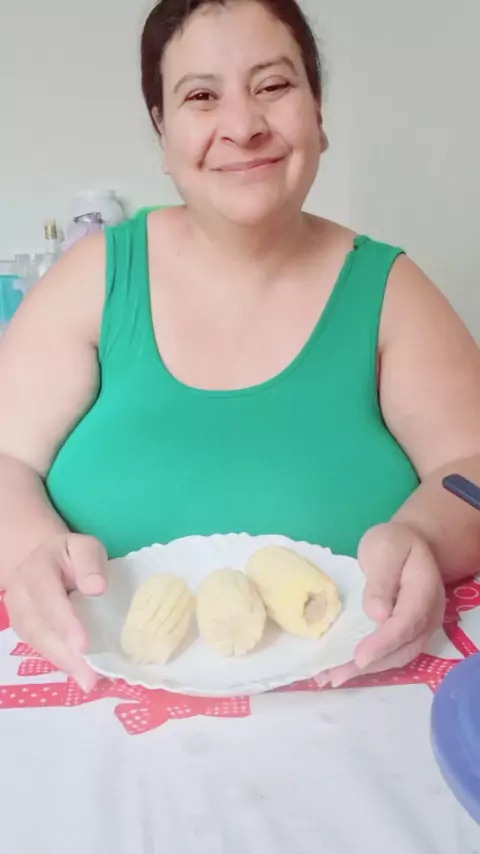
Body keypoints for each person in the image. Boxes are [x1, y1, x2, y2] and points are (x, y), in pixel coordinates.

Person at [1, 0, 480, 694]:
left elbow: (471, 467)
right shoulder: (93, 278)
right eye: (201, 97)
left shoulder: (391, 291)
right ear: (163, 131)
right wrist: (29, 551)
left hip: (355, 702)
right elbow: (6, 459)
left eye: (274, 85)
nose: (243, 125)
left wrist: (426, 536)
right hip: (89, 704)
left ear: (318, 112)